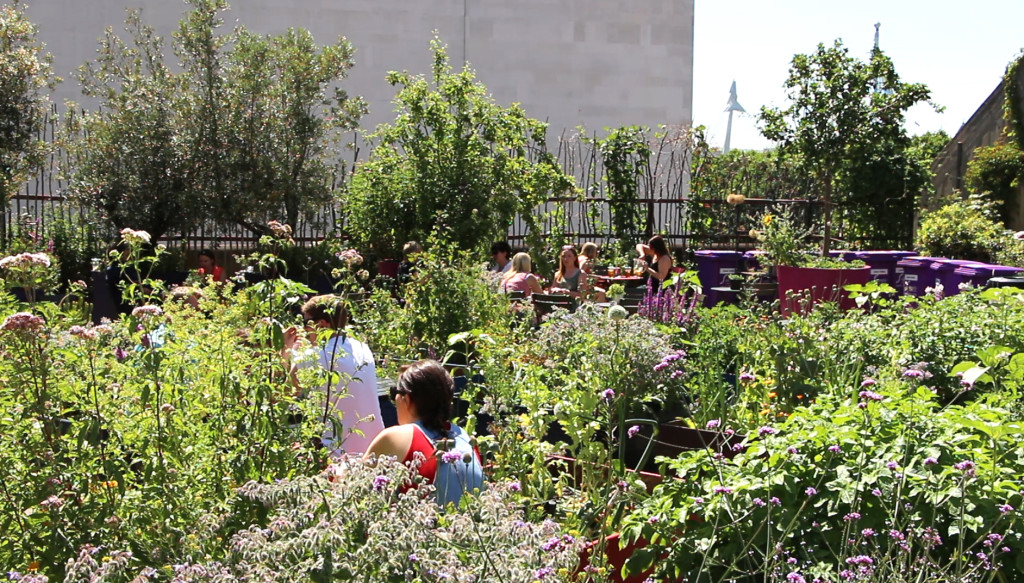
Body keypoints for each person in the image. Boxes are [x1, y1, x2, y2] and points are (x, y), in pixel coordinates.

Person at [363, 360, 484, 506]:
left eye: (395, 392)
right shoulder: (466, 439)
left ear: (406, 398)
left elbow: (357, 489)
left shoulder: (396, 437)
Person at [282, 295, 384, 456]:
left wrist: (285, 350)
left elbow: (282, 395)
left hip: (337, 455)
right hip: (374, 449)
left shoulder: (314, 357)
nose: (304, 330)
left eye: (306, 323)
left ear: (321, 324)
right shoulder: (362, 348)